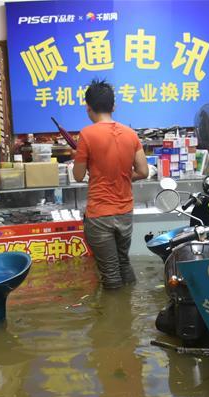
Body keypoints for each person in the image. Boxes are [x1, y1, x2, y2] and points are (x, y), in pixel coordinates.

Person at [72, 79, 149, 290]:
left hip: (99, 214)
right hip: (125, 212)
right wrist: (123, 176)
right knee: (123, 262)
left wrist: (79, 158)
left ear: (88, 107)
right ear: (114, 106)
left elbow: (78, 176)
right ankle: (131, 304)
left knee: (110, 273)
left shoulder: (87, 134)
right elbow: (143, 171)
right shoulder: (130, 134)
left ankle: (115, 311)